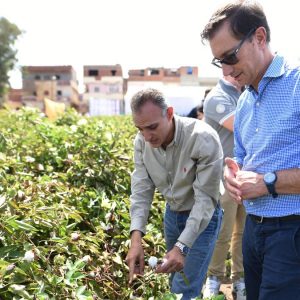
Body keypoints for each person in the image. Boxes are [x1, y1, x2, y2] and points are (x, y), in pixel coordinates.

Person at [201, 1, 300, 300]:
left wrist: (266, 182)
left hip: (291, 232)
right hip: (254, 235)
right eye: (220, 62)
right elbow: (242, 158)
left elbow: (262, 179)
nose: (228, 70)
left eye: (231, 56)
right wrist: (235, 176)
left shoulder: (296, 85)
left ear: (259, 37)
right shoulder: (244, 102)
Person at [125, 88, 224, 300]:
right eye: (140, 129)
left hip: (203, 218)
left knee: (183, 289)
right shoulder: (142, 141)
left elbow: (205, 199)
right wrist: (136, 240)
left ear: (169, 113)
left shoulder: (202, 138)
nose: (147, 136)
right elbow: (141, 190)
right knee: (175, 282)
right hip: (173, 214)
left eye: (152, 127)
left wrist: (182, 245)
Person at [202, 75, 246, 300]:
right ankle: (213, 280)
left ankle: (239, 280)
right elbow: (244, 125)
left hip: (247, 176)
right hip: (223, 177)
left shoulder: (244, 93)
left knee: (243, 233)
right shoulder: (217, 98)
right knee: (223, 232)